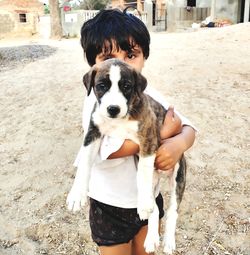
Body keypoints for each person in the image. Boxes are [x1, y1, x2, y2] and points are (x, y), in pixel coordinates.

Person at [73, 8, 196, 255]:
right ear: (93, 66)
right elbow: (108, 149)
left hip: (148, 198)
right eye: (108, 56)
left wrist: (178, 144)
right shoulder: (95, 105)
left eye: (130, 54)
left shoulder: (145, 94)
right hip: (109, 203)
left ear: (144, 56)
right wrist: (160, 136)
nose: (120, 64)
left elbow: (187, 126)